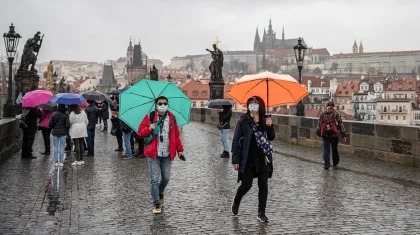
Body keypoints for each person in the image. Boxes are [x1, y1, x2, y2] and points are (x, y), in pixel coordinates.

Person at [231, 96, 275, 223]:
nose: (253, 106)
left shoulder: (264, 119)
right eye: (251, 103)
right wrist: (235, 159)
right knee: (246, 185)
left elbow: (271, 137)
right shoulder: (243, 120)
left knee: (263, 186)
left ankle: (261, 213)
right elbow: (236, 140)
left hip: (263, 158)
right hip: (248, 158)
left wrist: (270, 126)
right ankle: (237, 199)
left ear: (260, 105)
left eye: (255, 103)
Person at [138, 96, 184, 214]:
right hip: (153, 153)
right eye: (160, 103)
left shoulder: (172, 118)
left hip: (167, 153)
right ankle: (156, 202)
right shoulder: (150, 117)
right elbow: (140, 131)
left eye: (165, 103)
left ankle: (160, 192)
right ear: (156, 105)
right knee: (154, 179)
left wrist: (180, 150)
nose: (163, 105)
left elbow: (176, 136)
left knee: (166, 177)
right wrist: (149, 128)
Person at [316, 101, 347, 169]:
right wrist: (343, 135)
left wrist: (318, 133)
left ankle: (327, 164)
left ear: (327, 106)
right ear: (333, 106)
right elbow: (341, 125)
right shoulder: (336, 114)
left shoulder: (323, 114)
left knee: (326, 149)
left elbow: (319, 124)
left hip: (325, 134)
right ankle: (335, 162)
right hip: (334, 134)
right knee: (334, 149)